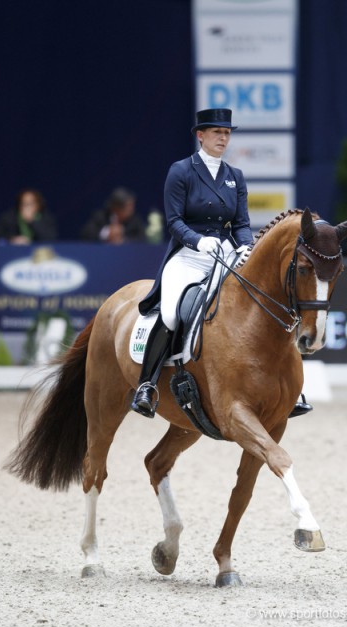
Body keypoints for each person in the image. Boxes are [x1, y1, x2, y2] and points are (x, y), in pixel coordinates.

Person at [130, 108, 253, 418]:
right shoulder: (182, 171)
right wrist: (198, 241)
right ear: (201, 135)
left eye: (227, 133)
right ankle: (148, 385)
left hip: (223, 256)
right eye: (217, 132)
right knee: (171, 314)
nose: (223, 138)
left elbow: (240, 223)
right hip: (187, 256)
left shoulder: (234, 176)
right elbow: (173, 220)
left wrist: (247, 247)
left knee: (254, 306)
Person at [80, 187, 145, 243]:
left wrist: (123, 240)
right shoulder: (100, 216)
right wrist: (107, 233)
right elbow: (85, 235)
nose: (131, 210)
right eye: (128, 207)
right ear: (116, 208)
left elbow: (143, 240)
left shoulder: (135, 220)